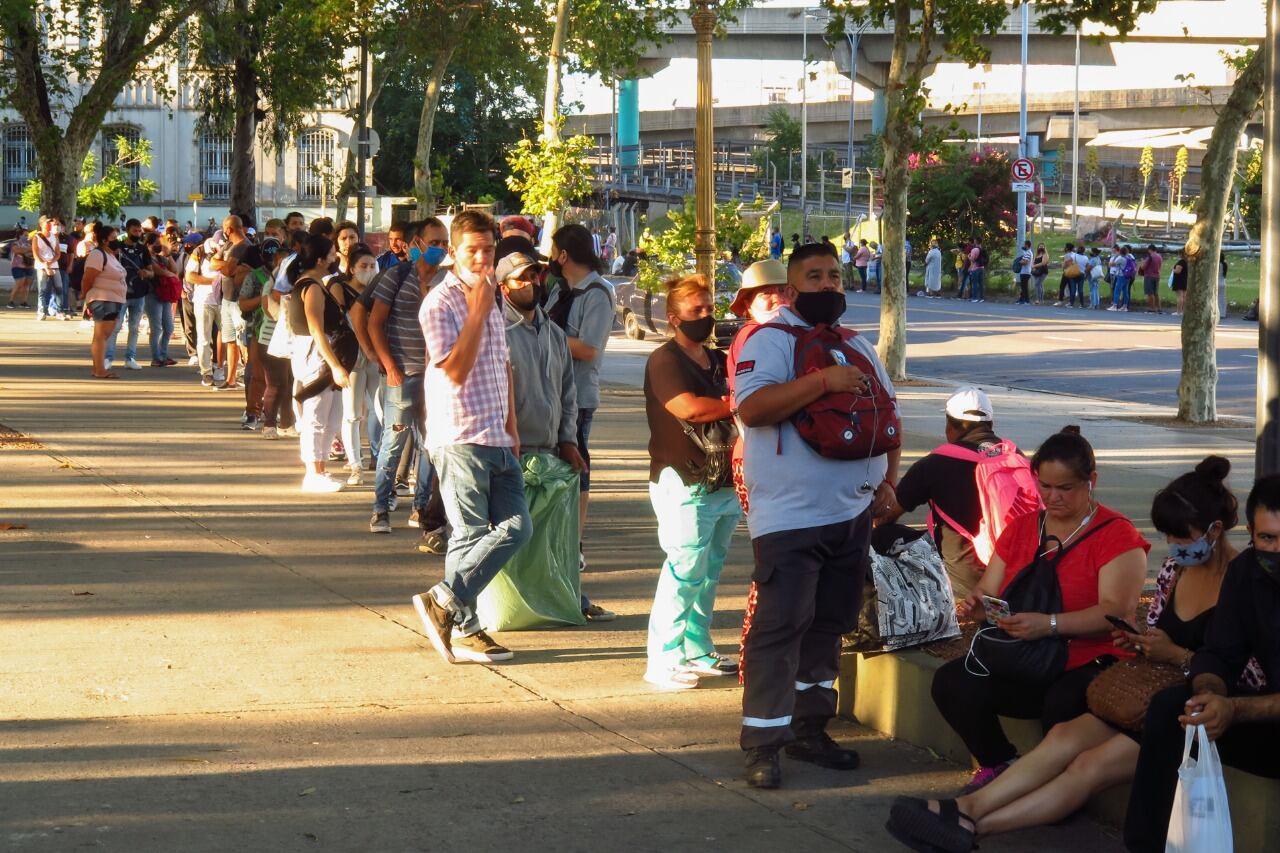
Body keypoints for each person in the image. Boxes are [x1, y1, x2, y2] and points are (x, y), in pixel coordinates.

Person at [888, 456, 1246, 853]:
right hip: (1148, 694)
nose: (1175, 548)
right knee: (1061, 737)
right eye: (1170, 537)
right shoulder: (1175, 571)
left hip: (1185, 709)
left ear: (1214, 531)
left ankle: (976, 827)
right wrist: (1142, 641)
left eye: (1182, 538)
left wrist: (1176, 653)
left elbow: (1243, 670)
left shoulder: (1240, 580)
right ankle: (962, 809)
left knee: (1086, 767)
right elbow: (1155, 629)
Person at [735, 241, 901, 789]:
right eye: (815, 276)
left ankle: (810, 729)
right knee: (781, 627)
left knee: (829, 625)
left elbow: (888, 413)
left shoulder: (855, 345)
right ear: (791, 287)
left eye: (834, 276)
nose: (828, 285)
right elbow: (752, 408)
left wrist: (888, 483)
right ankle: (763, 742)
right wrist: (822, 383)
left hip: (851, 511)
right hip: (789, 516)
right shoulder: (771, 337)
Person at [928, 426, 1149, 791]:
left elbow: (1116, 614)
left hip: (1088, 661)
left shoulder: (1116, 534)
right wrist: (978, 607)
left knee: (1062, 703)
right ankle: (999, 764)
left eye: (1066, 488)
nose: (1053, 497)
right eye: (1044, 486)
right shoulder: (1022, 528)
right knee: (952, 682)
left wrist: (1047, 624)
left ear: (1091, 480)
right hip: (1024, 654)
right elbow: (989, 590)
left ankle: (1054, 789)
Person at [1124, 472, 1280, 852]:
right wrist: (1209, 695)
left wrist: (1235, 708)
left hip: (1263, 710)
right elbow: (1219, 653)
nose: (1276, 550)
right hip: (1265, 720)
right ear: (1251, 532)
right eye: (1268, 538)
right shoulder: (1246, 572)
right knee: (1171, 710)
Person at [411, 209, 532, 665]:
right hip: (459, 434)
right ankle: (466, 627)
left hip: (497, 434)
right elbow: (456, 371)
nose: (482, 258)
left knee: (518, 528)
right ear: (453, 252)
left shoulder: (492, 298)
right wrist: (477, 312)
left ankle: (443, 600)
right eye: (472, 250)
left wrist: (512, 427)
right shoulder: (440, 304)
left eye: (488, 249)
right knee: (468, 534)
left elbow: (502, 365)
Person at [642, 274, 742, 690]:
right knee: (684, 568)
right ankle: (662, 658)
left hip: (722, 482)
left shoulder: (717, 360)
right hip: (682, 480)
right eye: (695, 310)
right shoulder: (664, 361)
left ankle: (696, 646)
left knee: (710, 568)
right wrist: (735, 402)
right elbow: (688, 408)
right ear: (673, 318)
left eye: (709, 308)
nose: (706, 316)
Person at [878, 388, 1031, 598]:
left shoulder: (935, 463)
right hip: (1018, 576)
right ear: (991, 425)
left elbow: (886, 517)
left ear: (950, 425)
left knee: (881, 536)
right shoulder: (1014, 455)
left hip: (967, 584)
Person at [545, 223, 619, 622]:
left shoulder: (597, 294)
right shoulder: (560, 290)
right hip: (548, 392)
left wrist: (543, 331)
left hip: (578, 396)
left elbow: (589, 349)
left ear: (564, 255)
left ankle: (574, 545)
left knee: (576, 470)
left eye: (553, 251)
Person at [365, 218, 449, 551]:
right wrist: (389, 366)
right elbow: (374, 323)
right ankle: (381, 508)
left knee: (432, 444)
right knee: (394, 441)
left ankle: (421, 507)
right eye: (435, 241)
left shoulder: (448, 281)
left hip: (436, 379)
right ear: (417, 243)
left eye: (445, 242)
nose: (441, 248)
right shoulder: (396, 276)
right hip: (402, 375)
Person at [291, 235, 351, 493]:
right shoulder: (311, 286)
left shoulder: (316, 283)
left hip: (322, 351)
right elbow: (316, 329)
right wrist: (335, 365)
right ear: (320, 259)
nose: (336, 255)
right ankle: (313, 471)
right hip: (316, 353)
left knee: (332, 415)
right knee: (317, 415)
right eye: (332, 252)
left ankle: (321, 468)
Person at [336, 244, 382, 485]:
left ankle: (380, 457)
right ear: (351, 268)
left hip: (375, 355)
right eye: (363, 266)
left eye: (372, 266)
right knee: (352, 414)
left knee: (379, 409)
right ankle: (356, 464)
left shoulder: (380, 290)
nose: (368, 270)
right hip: (352, 358)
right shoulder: (340, 290)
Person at [80, 223, 128, 380]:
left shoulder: (111, 255)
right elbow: (88, 278)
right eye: (113, 238)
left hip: (114, 299)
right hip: (103, 299)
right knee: (101, 335)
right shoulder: (98, 254)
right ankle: (100, 369)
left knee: (104, 335)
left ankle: (97, 367)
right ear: (105, 240)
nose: (116, 240)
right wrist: (85, 295)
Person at [106, 218, 154, 371]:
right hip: (120, 294)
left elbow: (151, 272)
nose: (138, 233)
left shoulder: (143, 249)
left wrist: (145, 272)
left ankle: (130, 357)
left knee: (134, 328)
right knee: (116, 327)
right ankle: (108, 357)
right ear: (127, 230)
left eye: (140, 231)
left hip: (139, 294)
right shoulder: (117, 247)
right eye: (135, 231)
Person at [144, 231, 179, 367]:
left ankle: (163, 354)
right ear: (148, 244)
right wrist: (171, 275)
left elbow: (175, 270)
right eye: (156, 244)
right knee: (156, 328)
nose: (159, 246)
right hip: (152, 294)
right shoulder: (146, 258)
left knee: (169, 328)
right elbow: (158, 271)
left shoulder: (160, 258)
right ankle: (156, 357)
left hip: (164, 294)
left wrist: (168, 255)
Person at [33, 216, 63, 320]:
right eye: (47, 223)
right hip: (41, 266)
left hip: (54, 265)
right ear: (41, 224)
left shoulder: (55, 237)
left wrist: (52, 261)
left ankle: (59, 312)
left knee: (59, 288)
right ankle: (41, 312)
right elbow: (35, 253)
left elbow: (58, 253)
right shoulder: (37, 237)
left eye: (50, 223)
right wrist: (44, 264)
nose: (50, 225)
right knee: (42, 290)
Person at [7, 228, 33, 309]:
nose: (27, 237)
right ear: (20, 235)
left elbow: (33, 252)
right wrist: (28, 250)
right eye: (25, 235)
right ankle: (10, 301)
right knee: (19, 284)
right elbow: (17, 250)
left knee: (27, 285)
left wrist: (27, 250)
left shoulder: (28, 244)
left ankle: (24, 302)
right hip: (17, 267)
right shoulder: (15, 243)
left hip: (29, 266)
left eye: (27, 235)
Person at [1142, 244, 1163, 314]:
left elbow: (1143, 267)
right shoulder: (1159, 256)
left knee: (1150, 293)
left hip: (1149, 276)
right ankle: (1159, 308)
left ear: (1150, 250)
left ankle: (1152, 308)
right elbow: (1160, 266)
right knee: (1156, 293)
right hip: (1157, 275)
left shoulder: (1150, 257)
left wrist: (1142, 264)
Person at [1169, 250, 1188, 316]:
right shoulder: (1187, 262)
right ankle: (1183, 311)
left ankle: (1178, 311)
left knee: (1180, 296)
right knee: (1184, 296)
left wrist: (1172, 269)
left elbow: (1178, 271)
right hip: (1185, 280)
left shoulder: (1181, 262)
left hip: (1179, 281)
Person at [968, 237, 987, 303]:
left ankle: (974, 298)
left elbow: (972, 259)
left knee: (974, 283)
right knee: (981, 283)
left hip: (975, 268)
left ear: (976, 241)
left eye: (974, 240)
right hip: (981, 267)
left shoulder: (974, 250)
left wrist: (969, 256)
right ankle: (981, 298)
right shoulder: (982, 249)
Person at [1015, 240, 1033, 305]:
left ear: (1027, 245)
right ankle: (1021, 300)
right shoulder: (1028, 252)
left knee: (1024, 287)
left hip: (1025, 272)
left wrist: (1020, 262)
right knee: (1023, 287)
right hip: (1025, 272)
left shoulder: (1028, 252)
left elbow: (1025, 262)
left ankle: (1026, 300)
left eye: (1024, 244)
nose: (1024, 246)